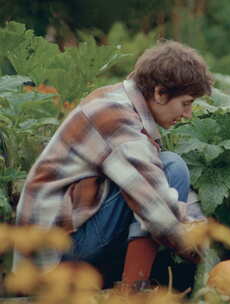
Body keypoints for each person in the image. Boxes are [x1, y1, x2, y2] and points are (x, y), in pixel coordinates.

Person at [14, 40, 213, 291]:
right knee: (171, 167)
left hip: (68, 238)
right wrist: (205, 254)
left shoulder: (122, 100)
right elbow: (157, 210)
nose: (188, 114)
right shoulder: (116, 118)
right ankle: (132, 291)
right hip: (52, 259)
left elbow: (154, 179)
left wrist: (195, 221)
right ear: (160, 93)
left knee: (164, 170)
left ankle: (131, 285)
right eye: (186, 103)